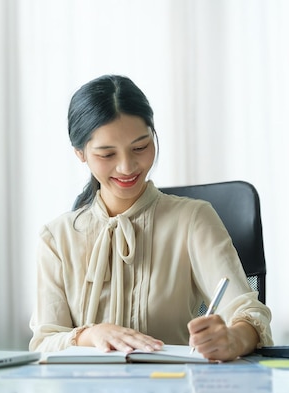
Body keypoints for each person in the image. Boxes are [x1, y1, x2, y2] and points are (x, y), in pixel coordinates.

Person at [29, 75, 273, 361]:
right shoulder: (56, 238)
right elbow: (44, 341)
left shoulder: (193, 220)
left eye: (140, 147)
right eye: (107, 154)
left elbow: (249, 313)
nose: (127, 166)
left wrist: (232, 338)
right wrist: (90, 334)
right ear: (80, 153)